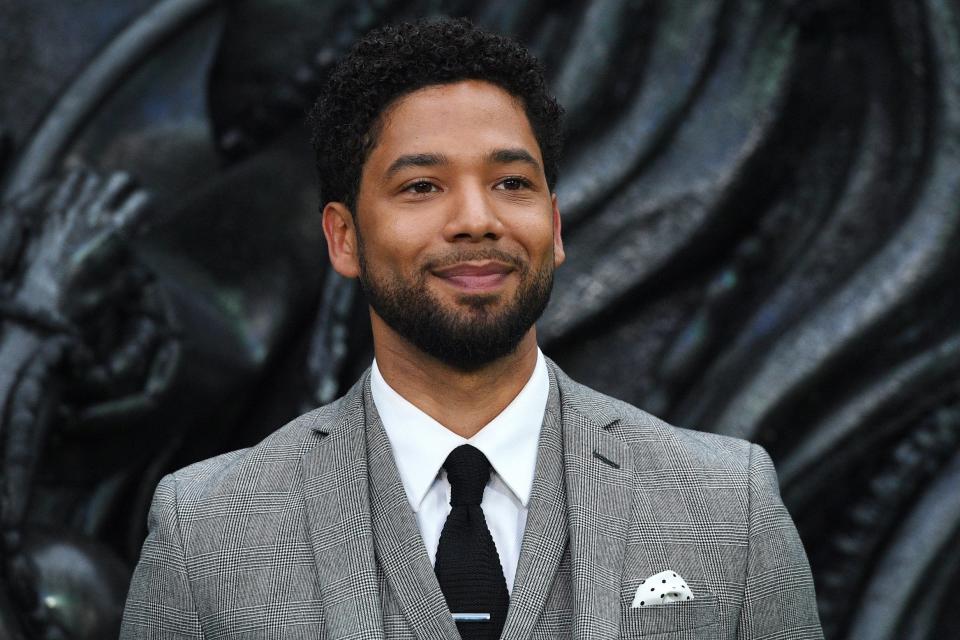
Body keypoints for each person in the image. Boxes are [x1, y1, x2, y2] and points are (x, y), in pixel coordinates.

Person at [120, 17, 823, 639]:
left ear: (553, 226)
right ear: (343, 239)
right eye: (421, 186)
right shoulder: (207, 531)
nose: (477, 219)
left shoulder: (730, 506)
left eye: (511, 183)